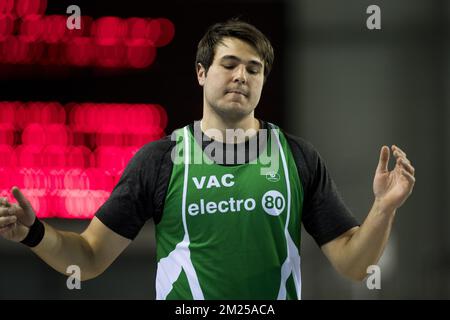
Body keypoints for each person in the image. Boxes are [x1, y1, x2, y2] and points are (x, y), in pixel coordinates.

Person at [0, 19, 415, 300]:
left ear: (263, 82)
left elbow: (354, 264)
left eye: (254, 70)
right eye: (229, 64)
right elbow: (88, 258)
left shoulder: (297, 158)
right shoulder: (160, 160)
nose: (241, 76)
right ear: (201, 72)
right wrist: (35, 232)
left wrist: (383, 208)